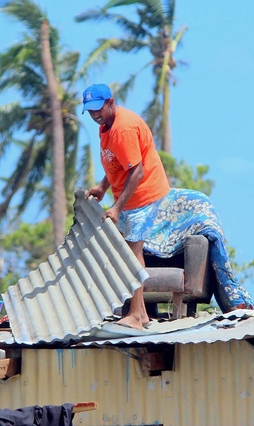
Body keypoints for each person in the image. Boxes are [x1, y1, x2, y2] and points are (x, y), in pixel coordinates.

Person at [83, 83, 170, 330]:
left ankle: (134, 316)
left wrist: (117, 207)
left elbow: (137, 171)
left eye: (98, 109)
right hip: (128, 194)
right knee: (126, 251)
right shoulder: (105, 127)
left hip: (142, 194)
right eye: (90, 112)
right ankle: (140, 313)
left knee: (133, 252)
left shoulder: (123, 129)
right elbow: (117, 164)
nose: (95, 115)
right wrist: (103, 187)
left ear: (110, 102)